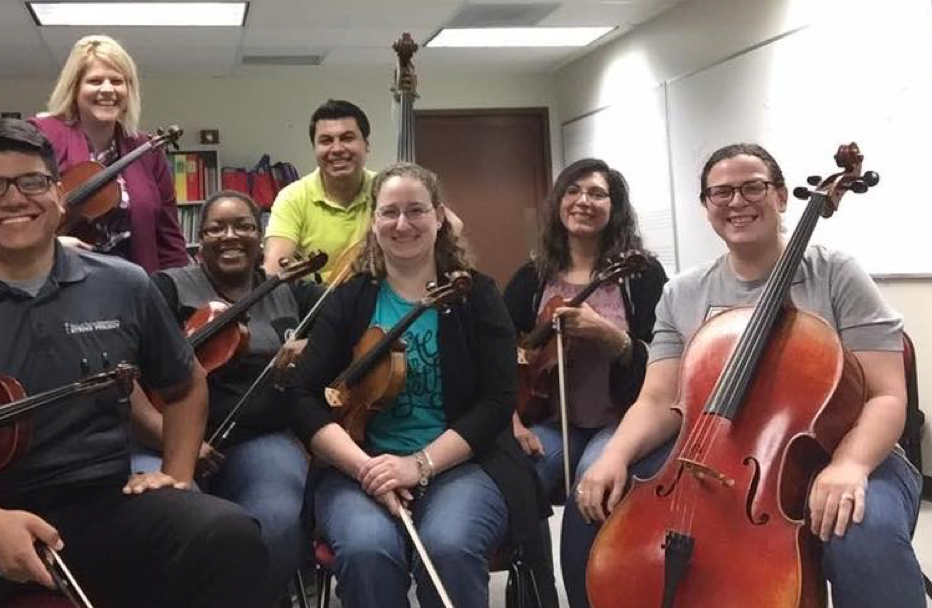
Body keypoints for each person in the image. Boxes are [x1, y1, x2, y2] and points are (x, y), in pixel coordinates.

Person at [0, 119, 267, 608]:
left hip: (98, 505)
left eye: (32, 182)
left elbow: (185, 386)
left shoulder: (126, 286)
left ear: (60, 198)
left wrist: (178, 472)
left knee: (227, 535)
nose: (14, 199)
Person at [572, 143, 924, 607]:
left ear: (781, 197)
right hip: (719, 457)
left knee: (861, 534)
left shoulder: (835, 274)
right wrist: (613, 455)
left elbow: (885, 397)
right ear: (706, 207)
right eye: (721, 193)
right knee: (595, 492)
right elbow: (658, 400)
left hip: (845, 447)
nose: (737, 202)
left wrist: (850, 465)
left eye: (753, 187)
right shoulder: (684, 292)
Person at [284, 162, 553, 608]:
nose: (402, 224)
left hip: (466, 464)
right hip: (360, 466)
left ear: (440, 217)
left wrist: (419, 465)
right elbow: (302, 396)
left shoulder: (477, 296)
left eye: (416, 210)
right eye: (389, 212)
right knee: (368, 550)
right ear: (374, 221)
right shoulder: (351, 298)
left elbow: (497, 399)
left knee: (449, 545)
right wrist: (364, 468)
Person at [129, 189, 319, 606]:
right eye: (216, 228)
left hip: (258, 438)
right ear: (200, 240)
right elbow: (126, 380)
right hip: (163, 436)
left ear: (261, 236)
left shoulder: (290, 292)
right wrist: (174, 439)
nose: (230, 236)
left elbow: (342, 331)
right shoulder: (166, 288)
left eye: (243, 226)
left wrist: (313, 348)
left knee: (280, 521)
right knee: (178, 520)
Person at [502, 158, 667, 605]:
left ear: (614, 208)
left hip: (620, 420)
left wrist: (613, 337)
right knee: (516, 481)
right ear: (558, 203)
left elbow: (668, 363)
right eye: (573, 191)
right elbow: (500, 357)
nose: (583, 202)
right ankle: (538, 593)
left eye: (597, 193)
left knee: (589, 489)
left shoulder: (641, 276)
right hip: (551, 423)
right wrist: (512, 422)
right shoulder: (532, 278)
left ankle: (587, 595)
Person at [32, 34, 189, 274]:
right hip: (57, 285)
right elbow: (14, 215)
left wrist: (178, 295)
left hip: (134, 289)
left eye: (117, 81)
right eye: (95, 81)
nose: (107, 90)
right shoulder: (41, 136)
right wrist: (47, 246)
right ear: (74, 88)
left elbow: (169, 239)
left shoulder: (147, 149)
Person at [263, 99, 376, 283]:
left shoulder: (387, 190)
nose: (337, 149)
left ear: (366, 144)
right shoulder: (293, 197)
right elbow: (274, 270)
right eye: (326, 141)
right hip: (315, 302)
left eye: (347, 138)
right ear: (314, 149)